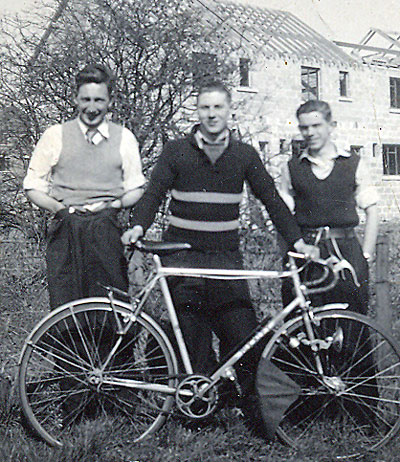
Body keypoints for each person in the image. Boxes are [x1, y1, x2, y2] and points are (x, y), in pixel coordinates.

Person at [121, 80, 317, 412]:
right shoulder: (176, 151)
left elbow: (271, 199)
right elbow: (153, 193)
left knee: (242, 334)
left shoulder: (244, 154)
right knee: (192, 338)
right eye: (205, 107)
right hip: (182, 256)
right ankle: (200, 409)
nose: (212, 114)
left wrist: (297, 241)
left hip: (225, 258)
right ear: (197, 112)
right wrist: (138, 225)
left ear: (229, 111)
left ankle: (254, 409)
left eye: (218, 107)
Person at [24, 63, 145, 309]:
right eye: (86, 99)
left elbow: (137, 187)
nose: (92, 108)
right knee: (66, 306)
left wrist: (116, 204)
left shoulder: (124, 138)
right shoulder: (55, 135)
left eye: (99, 100)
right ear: (75, 99)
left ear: (110, 101)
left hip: (106, 228)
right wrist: (59, 209)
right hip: (67, 228)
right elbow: (32, 186)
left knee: (110, 306)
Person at [278, 99, 379, 314]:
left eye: (316, 126)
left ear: (331, 126)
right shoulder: (292, 168)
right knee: (306, 323)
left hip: (347, 254)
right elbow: (282, 216)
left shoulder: (353, 164)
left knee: (351, 322)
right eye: (304, 127)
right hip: (306, 255)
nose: (310, 133)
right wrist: (287, 255)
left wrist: (365, 255)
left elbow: (372, 210)